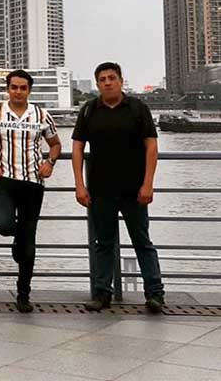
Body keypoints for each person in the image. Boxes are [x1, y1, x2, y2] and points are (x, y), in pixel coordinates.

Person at [72, 62, 164, 313]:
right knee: (104, 243)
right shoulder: (90, 110)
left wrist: (148, 183)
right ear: (98, 84)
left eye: (112, 78)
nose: (107, 82)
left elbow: (151, 146)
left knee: (142, 241)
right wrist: (79, 185)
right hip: (100, 190)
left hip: (134, 189)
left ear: (121, 80)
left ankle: (155, 294)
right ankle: (102, 293)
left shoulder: (137, 108)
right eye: (102, 79)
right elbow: (78, 148)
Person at [0, 70, 61, 313]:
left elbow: (55, 144)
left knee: (29, 242)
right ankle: (19, 236)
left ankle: (23, 293)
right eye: (14, 87)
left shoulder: (41, 115)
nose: (18, 91)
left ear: (29, 90)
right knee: (2, 224)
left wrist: (50, 162)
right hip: (5, 180)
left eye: (22, 88)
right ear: (8, 88)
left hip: (33, 182)